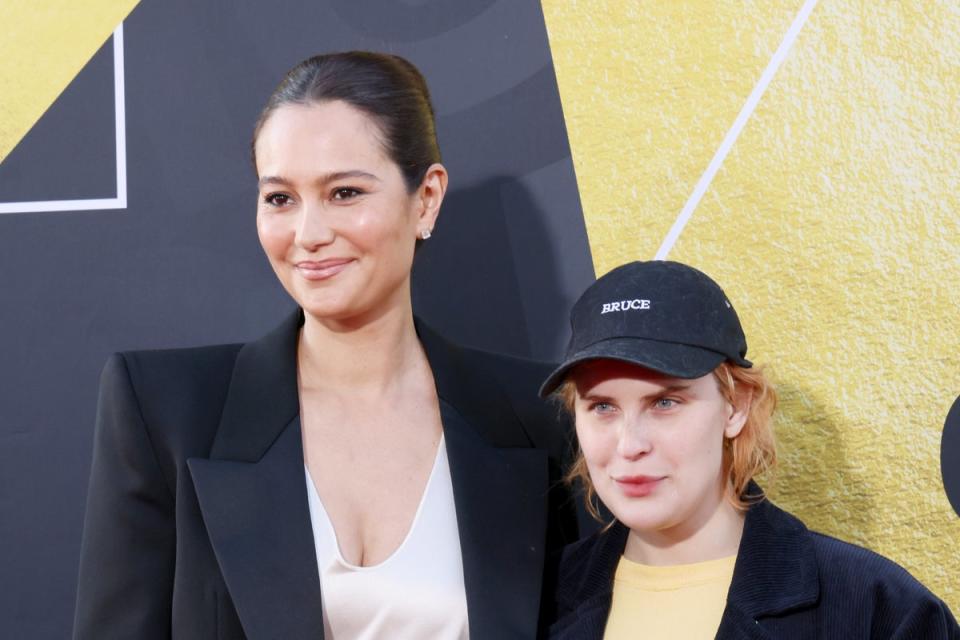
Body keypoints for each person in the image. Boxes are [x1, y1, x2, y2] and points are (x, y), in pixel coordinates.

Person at [73, 51, 578, 640]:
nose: (308, 235)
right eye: (280, 198)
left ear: (427, 198)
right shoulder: (167, 413)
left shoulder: (540, 417)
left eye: (343, 192)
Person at [541, 260, 959, 639]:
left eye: (665, 403)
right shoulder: (534, 599)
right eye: (602, 407)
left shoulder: (876, 608)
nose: (630, 444)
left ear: (736, 406)